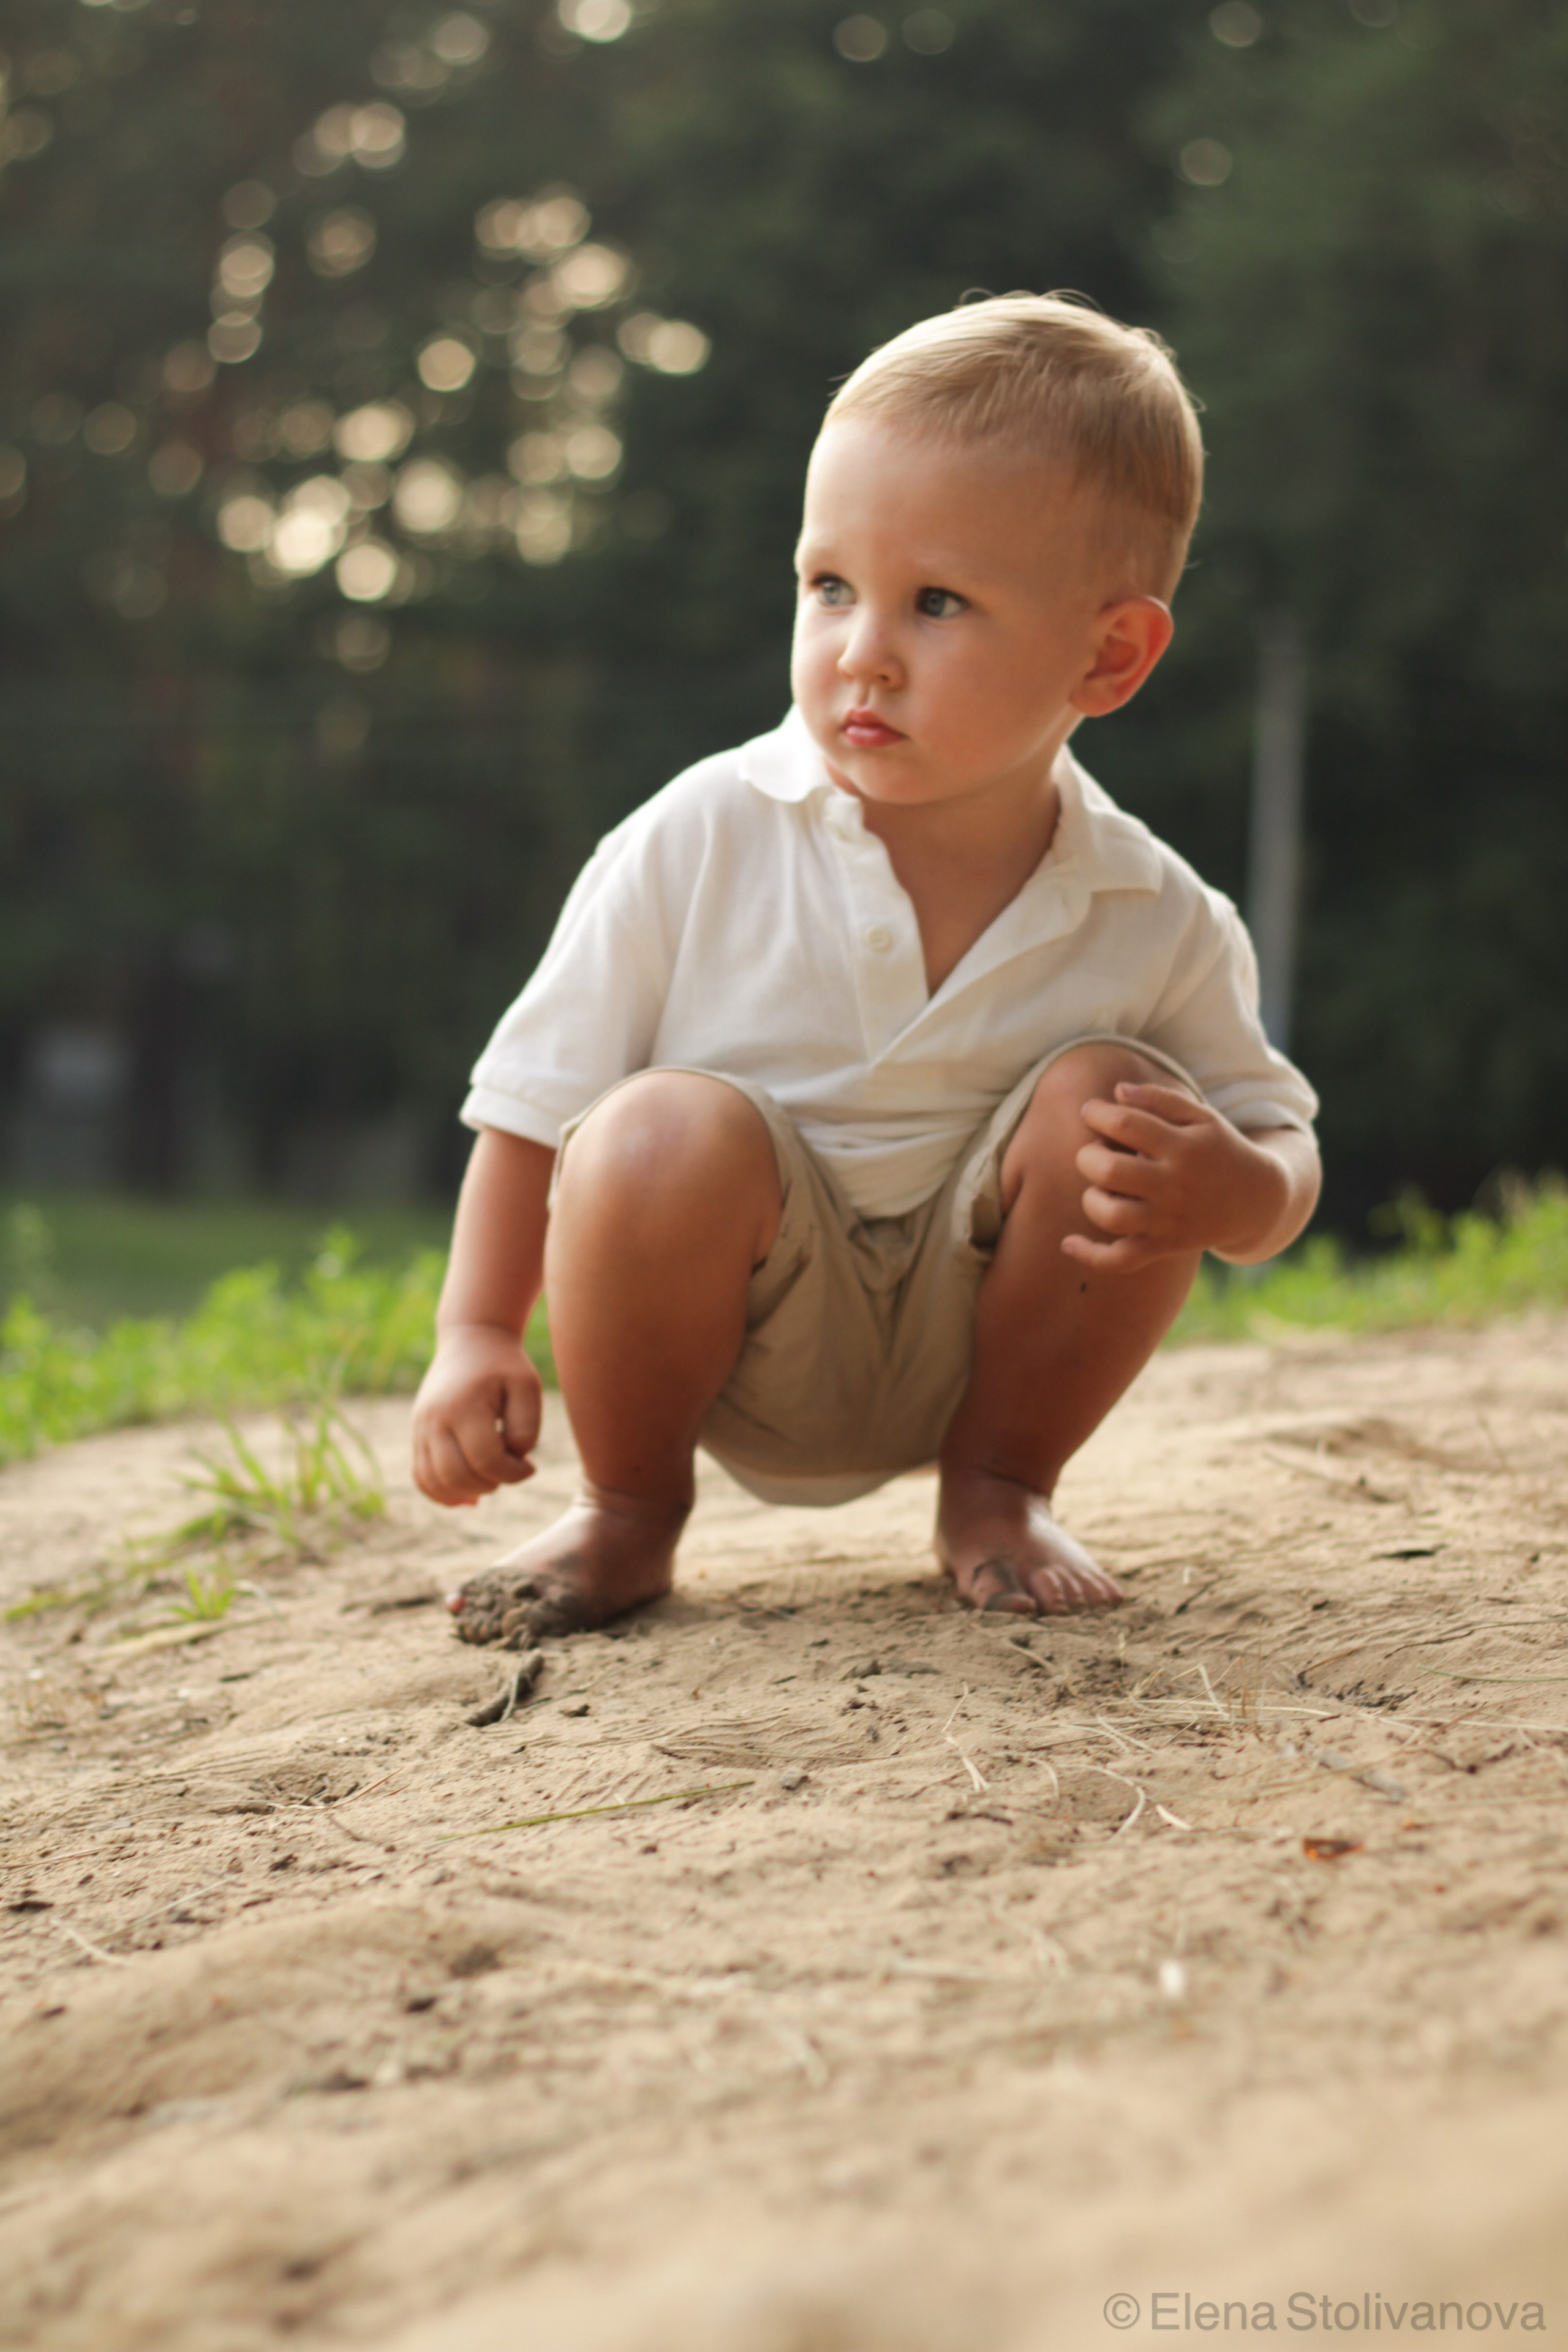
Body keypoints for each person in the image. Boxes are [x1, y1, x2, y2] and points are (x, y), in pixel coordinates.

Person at [412, 293, 1320, 1643]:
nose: (859, 652)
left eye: (935, 602)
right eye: (827, 585)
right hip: (725, 1333)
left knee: (1114, 1099)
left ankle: (999, 1494)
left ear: (1108, 653)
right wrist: (477, 1332)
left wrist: (1233, 1189)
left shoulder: (1151, 911)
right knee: (656, 1123)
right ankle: (628, 1510)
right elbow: (532, 1100)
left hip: (986, 1358)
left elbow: (1274, 1143)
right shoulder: (700, 837)